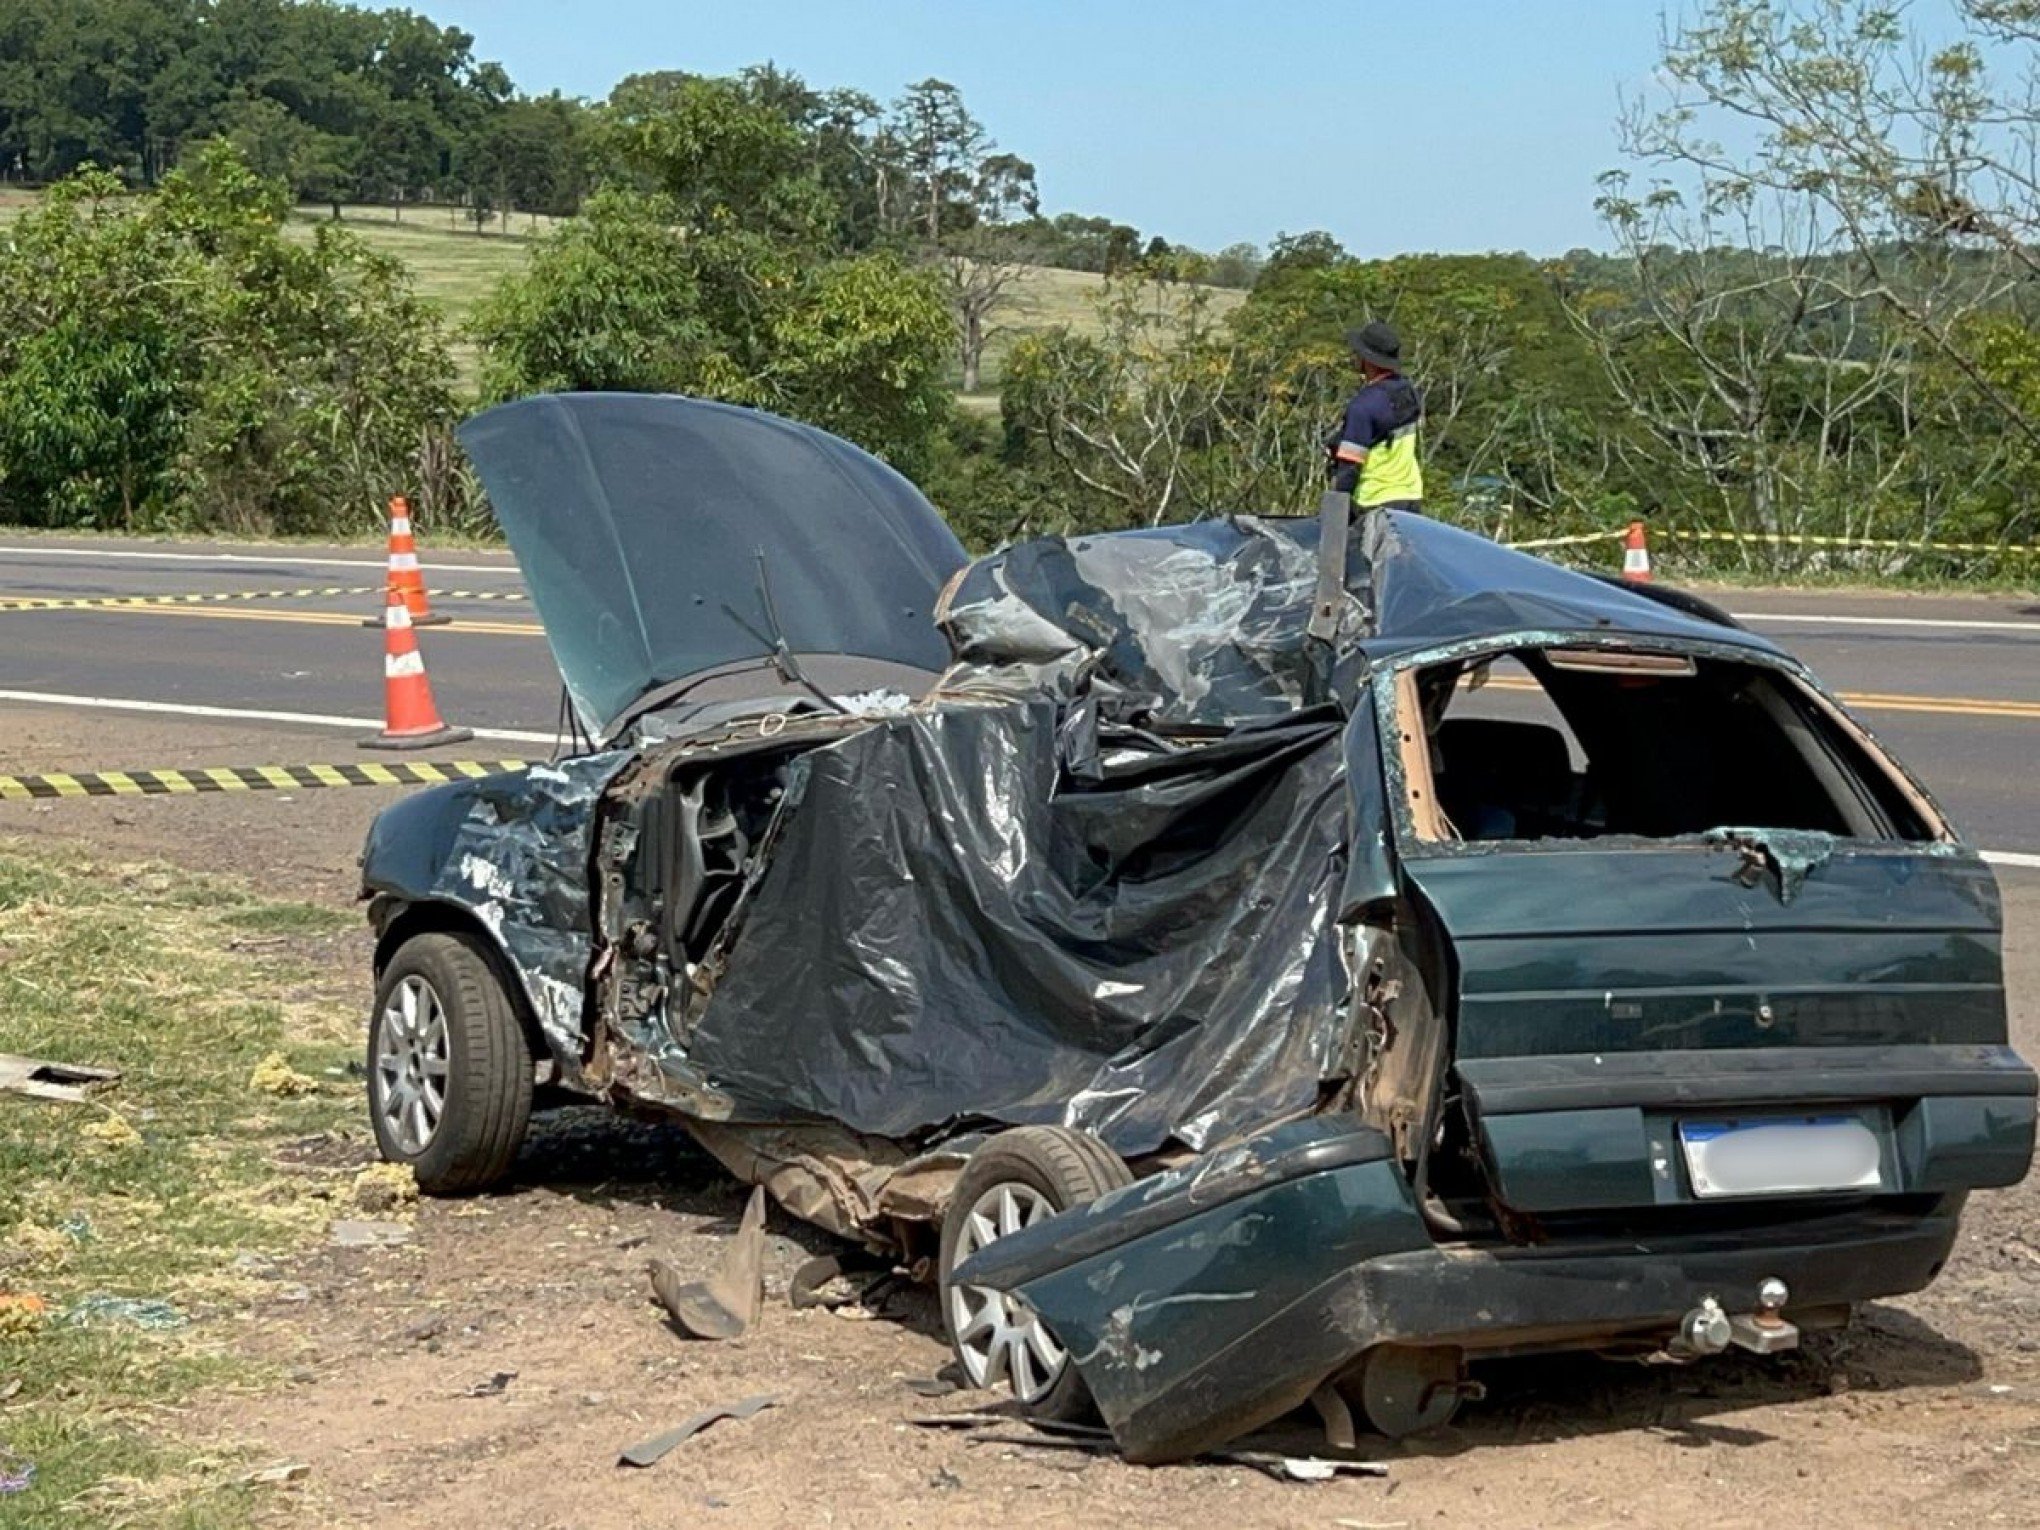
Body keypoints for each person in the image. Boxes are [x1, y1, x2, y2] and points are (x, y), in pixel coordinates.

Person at [1326, 320, 1423, 512]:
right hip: (1411, 496)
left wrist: (1337, 509)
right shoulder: (1408, 392)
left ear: (1367, 359)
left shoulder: (1362, 406)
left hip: (1374, 500)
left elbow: (1349, 468)